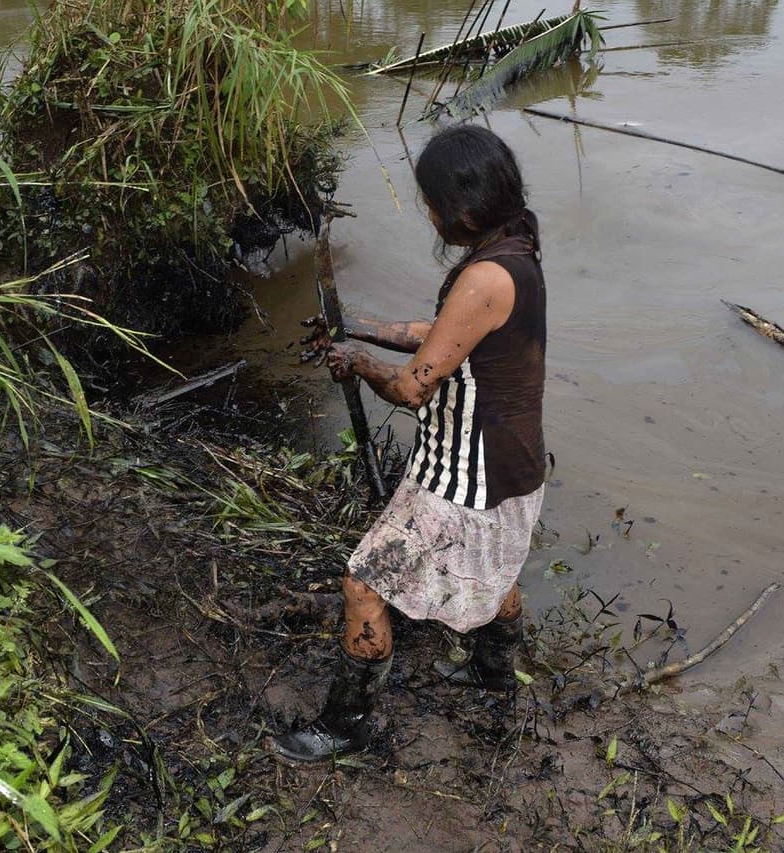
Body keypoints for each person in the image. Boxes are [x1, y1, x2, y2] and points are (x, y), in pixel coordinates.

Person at [273, 124, 547, 764]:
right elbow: (446, 334)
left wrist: (358, 361)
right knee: (497, 570)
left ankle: (348, 723)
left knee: (364, 585)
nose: (429, 216)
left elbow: (412, 388)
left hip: (467, 475)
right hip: (516, 466)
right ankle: (496, 677)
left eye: (432, 204)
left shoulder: (482, 278)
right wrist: (358, 325)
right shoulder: (517, 252)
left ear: (465, 210)